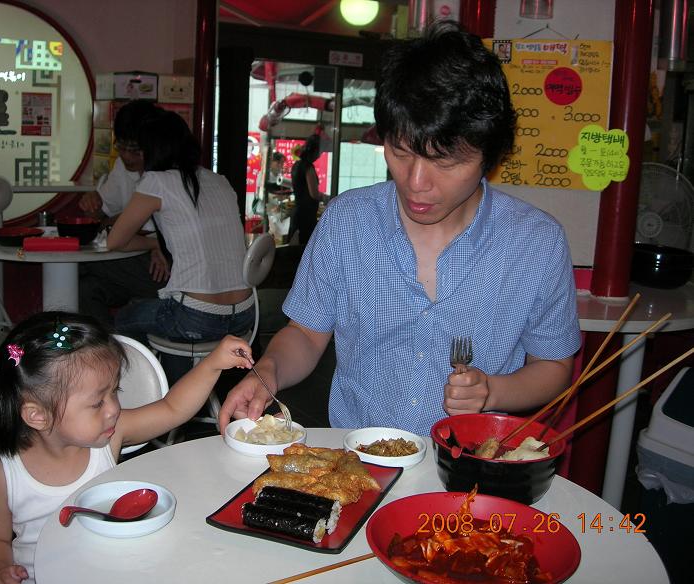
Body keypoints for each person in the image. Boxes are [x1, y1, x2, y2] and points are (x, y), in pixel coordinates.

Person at [219, 20, 581, 437]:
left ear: (489, 155)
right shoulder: (347, 222)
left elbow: (553, 365)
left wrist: (493, 392)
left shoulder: (536, 243)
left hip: (470, 460)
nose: (416, 182)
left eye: (446, 161)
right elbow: (305, 333)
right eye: (400, 151)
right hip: (356, 457)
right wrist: (267, 371)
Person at [0, 311, 252, 584]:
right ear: (38, 416)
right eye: (97, 403)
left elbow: (173, 408)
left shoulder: (110, 436)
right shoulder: (7, 478)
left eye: (114, 392)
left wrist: (212, 364)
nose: (113, 409)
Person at [107, 110, 254, 344]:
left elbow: (114, 241)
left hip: (197, 317)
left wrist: (152, 244)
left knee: (124, 318)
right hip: (245, 314)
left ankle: (153, 369)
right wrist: (156, 243)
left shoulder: (156, 181)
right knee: (162, 311)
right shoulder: (219, 180)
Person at [78, 100, 170, 326]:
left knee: (76, 263)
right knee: (85, 288)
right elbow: (103, 219)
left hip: (166, 270)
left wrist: (120, 224)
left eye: (135, 150)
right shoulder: (122, 166)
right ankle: (107, 345)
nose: (127, 156)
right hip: (132, 261)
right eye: (121, 147)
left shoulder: (164, 173)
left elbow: (118, 233)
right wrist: (94, 204)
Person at [290, 134, 328, 247]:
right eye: (319, 152)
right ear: (314, 151)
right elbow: (314, 194)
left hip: (298, 213)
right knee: (304, 249)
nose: (319, 155)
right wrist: (327, 198)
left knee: (295, 249)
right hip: (306, 216)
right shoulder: (308, 167)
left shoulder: (296, 165)